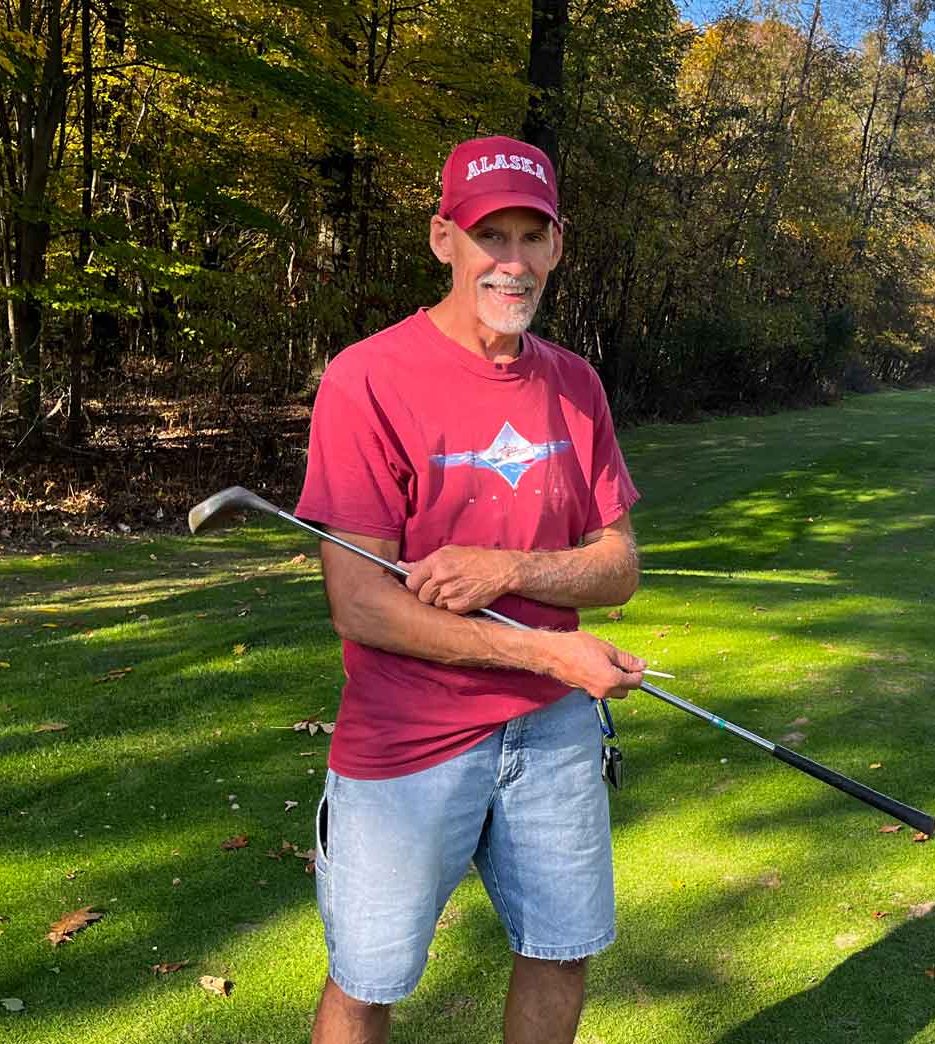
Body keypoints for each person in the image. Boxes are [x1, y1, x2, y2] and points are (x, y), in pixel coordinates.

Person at [295, 135, 646, 1044]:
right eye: (493, 235)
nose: (513, 262)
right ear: (444, 238)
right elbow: (362, 603)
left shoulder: (576, 385)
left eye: (534, 237)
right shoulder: (368, 378)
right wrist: (543, 649)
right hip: (412, 738)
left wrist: (513, 570)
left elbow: (620, 567)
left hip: (555, 730)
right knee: (368, 977)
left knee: (561, 948)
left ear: (559, 247)